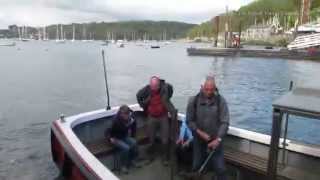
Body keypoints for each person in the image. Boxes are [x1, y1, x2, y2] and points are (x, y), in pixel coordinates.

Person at [186, 75, 229, 180]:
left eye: (211, 90)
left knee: (220, 168)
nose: (209, 92)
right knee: (196, 165)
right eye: (206, 89)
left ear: (215, 88)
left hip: (215, 139)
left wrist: (218, 139)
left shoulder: (221, 101)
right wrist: (200, 133)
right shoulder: (194, 100)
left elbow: (225, 122)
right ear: (202, 87)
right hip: (198, 139)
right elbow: (189, 121)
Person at [136, 76, 175, 166]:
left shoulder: (165, 87)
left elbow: (171, 90)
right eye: (152, 87)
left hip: (163, 117)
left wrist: (167, 96)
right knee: (151, 139)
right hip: (151, 117)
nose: (153, 89)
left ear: (159, 85)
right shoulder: (147, 89)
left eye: (155, 87)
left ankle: (165, 158)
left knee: (165, 140)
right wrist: (142, 105)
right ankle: (150, 157)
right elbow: (138, 95)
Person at [108, 105, 139, 174]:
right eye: (125, 114)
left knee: (134, 143)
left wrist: (133, 136)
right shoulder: (115, 121)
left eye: (128, 113)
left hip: (124, 136)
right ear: (121, 114)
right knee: (126, 148)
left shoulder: (131, 118)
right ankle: (123, 166)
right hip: (115, 138)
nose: (127, 115)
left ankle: (132, 160)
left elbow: (134, 128)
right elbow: (108, 132)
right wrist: (110, 138)